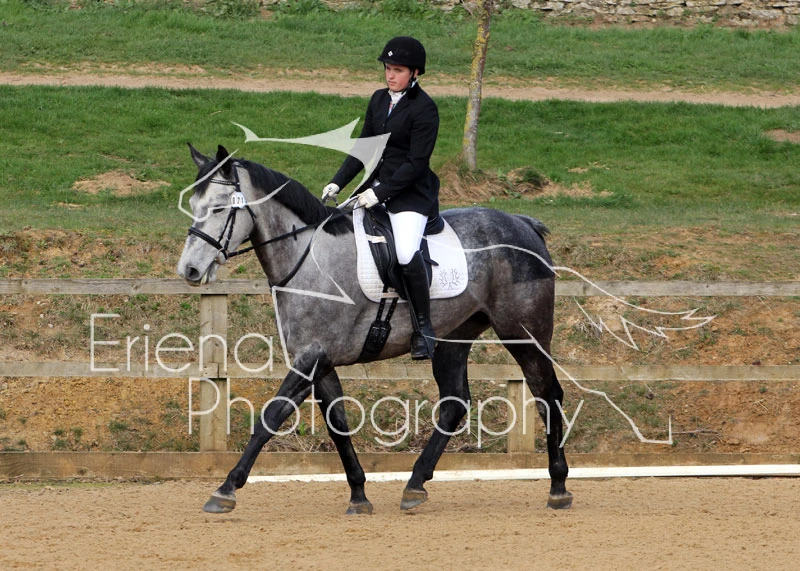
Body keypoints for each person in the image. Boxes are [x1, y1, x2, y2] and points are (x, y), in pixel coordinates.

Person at [322, 36, 440, 360]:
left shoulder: (425, 109)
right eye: (388, 68)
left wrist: (380, 192)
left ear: (415, 72)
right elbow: (364, 148)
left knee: (405, 252)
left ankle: (424, 329)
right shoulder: (378, 100)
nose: (390, 75)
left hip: (411, 195)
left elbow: (417, 163)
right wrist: (337, 183)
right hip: (374, 188)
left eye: (398, 70)